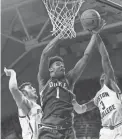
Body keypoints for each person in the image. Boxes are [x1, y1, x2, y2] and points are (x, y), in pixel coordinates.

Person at [37, 21, 104, 138]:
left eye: (62, 64)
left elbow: (86, 57)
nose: (62, 66)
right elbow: (44, 55)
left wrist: (95, 34)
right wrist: (61, 35)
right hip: (48, 131)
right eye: (58, 64)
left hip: (68, 132)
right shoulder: (44, 80)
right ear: (51, 70)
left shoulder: (69, 80)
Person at [73, 23, 122, 139]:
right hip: (105, 131)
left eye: (105, 74)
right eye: (102, 74)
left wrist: (97, 36)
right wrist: (74, 103)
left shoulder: (111, 85)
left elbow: (105, 59)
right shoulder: (97, 97)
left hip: (119, 128)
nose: (103, 74)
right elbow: (81, 110)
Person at [4, 68, 42, 139]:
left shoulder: (38, 108)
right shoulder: (25, 104)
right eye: (30, 88)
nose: (34, 89)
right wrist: (12, 73)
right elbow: (13, 88)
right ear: (24, 94)